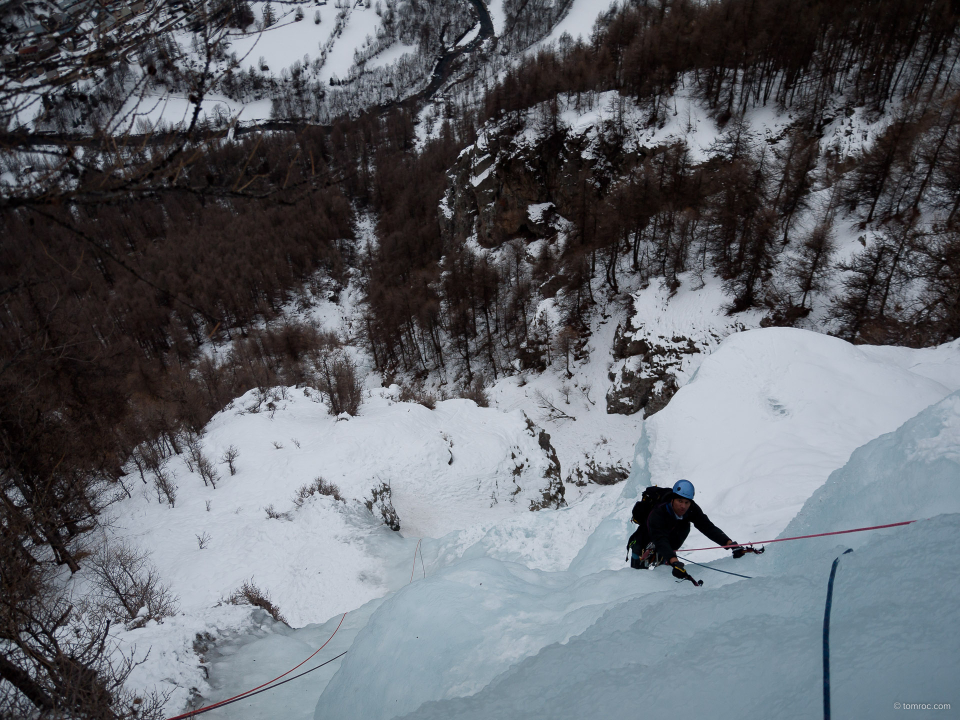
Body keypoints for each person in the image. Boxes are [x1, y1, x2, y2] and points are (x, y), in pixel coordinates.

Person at [631, 479, 748, 573]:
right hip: (648, 534)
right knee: (638, 563)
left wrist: (729, 543)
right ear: (672, 499)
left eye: (686, 502)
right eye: (680, 501)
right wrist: (673, 560)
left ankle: (665, 565)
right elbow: (659, 538)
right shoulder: (658, 512)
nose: (683, 506)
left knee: (684, 527)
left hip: (671, 535)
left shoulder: (691, 509)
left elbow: (707, 527)